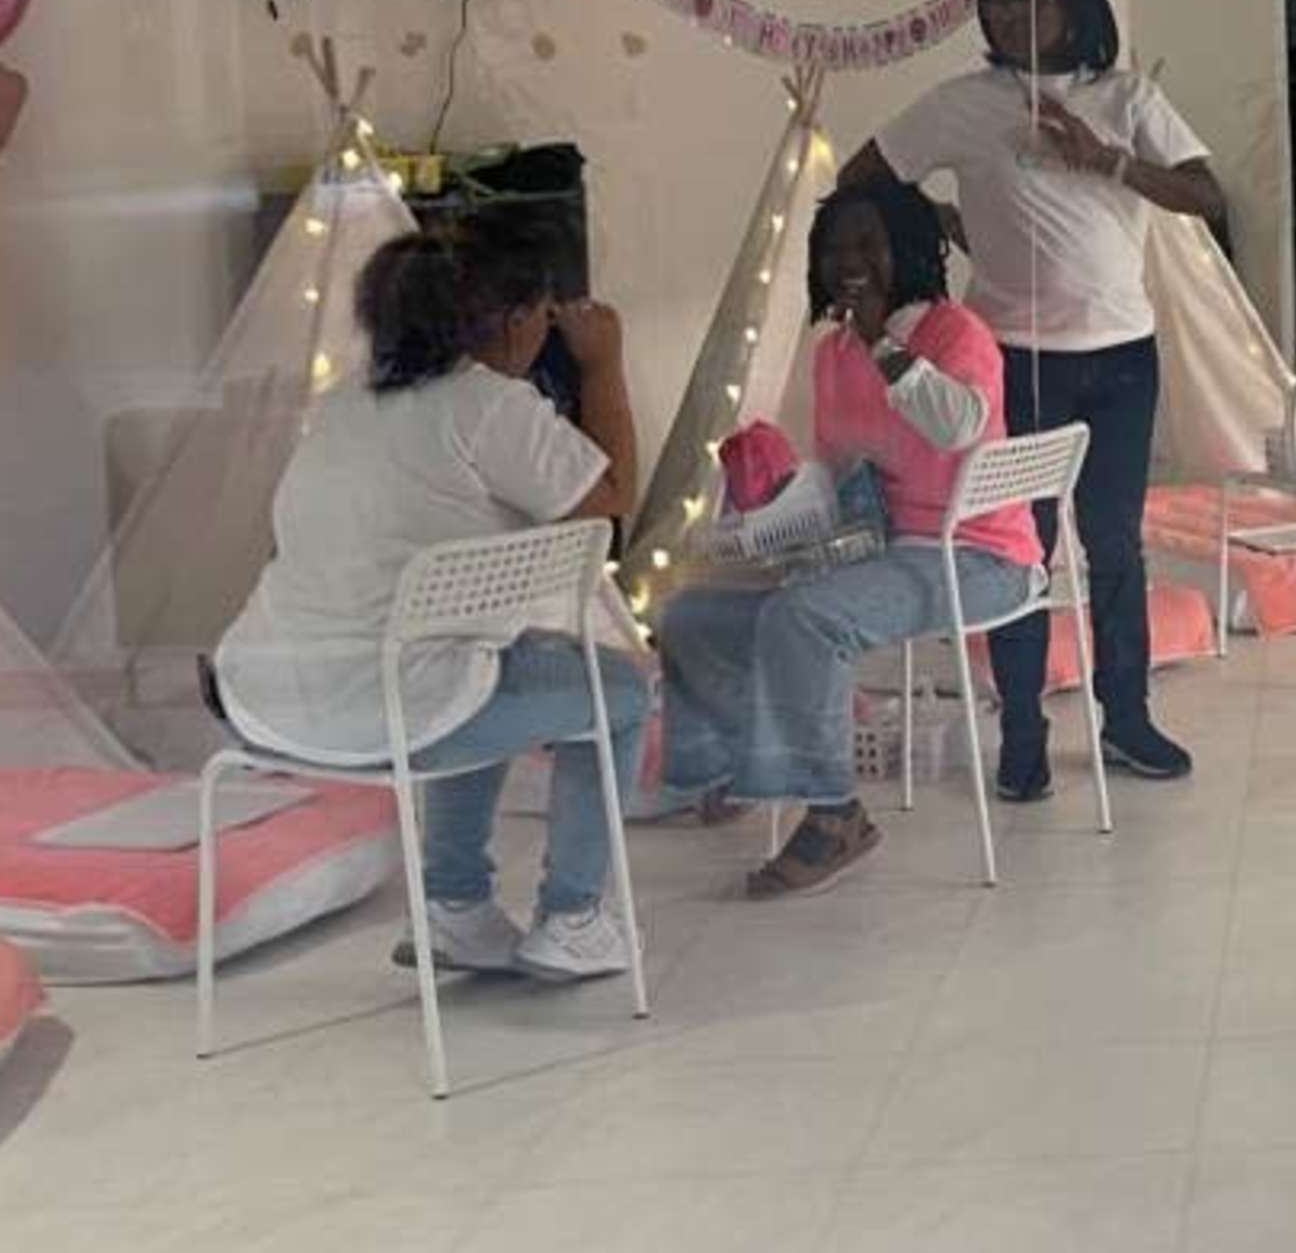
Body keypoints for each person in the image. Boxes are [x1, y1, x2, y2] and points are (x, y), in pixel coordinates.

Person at [214, 226, 647, 983]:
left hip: (268, 700)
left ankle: (454, 909)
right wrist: (604, 364)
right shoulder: (487, 404)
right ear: (513, 320)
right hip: (394, 711)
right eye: (543, 315)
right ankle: (573, 918)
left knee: (481, 661)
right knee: (623, 691)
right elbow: (610, 502)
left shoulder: (340, 404)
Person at [844, 0, 1215, 799]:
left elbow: (1207, 194)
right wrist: (936, 228)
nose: (1009, 15)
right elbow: (862, 176)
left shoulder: (1126, 98)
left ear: (1072, 3)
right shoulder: (962, 105)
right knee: (1020, 551)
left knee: (1115, 543)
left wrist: (1107, 160)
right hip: (1010, 358)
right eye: (996, 2)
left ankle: (1126, 718)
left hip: (1122, 358)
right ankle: (1022, 733)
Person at [656, 177, 1040, 896]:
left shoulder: (955, 333)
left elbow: (957, 427)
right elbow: (839, 472)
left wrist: (882, 346)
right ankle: (744, 763)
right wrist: (776, 521)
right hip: (879, 550)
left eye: (869, 243)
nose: (850, 261)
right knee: (691, 616)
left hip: (977, 555)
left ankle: (835, 814)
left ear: (910, 250)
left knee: (806, 618)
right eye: (835, 247)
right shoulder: (831, 352)